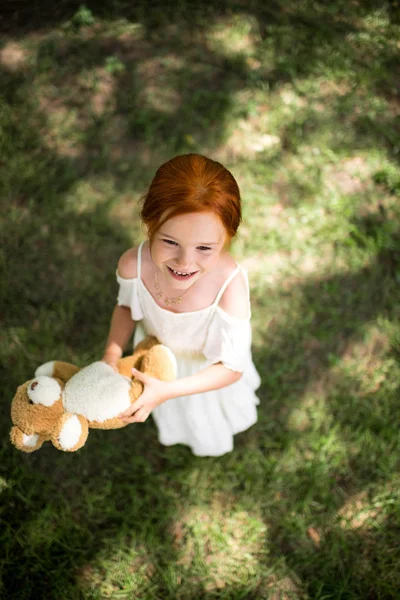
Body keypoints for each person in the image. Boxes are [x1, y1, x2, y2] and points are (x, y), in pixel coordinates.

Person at [102, 153, 261, 457]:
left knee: (203, 419)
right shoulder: (133, 265)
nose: (184, 262)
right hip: (156, 358)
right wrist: (111, 354)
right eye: (170, 242)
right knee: (171, 413)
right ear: (149, 224)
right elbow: (126, 307)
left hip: (202, 372)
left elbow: (231, 367)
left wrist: (168, 391)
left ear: (227, 238)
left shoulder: (230, 287)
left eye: (204, 248)